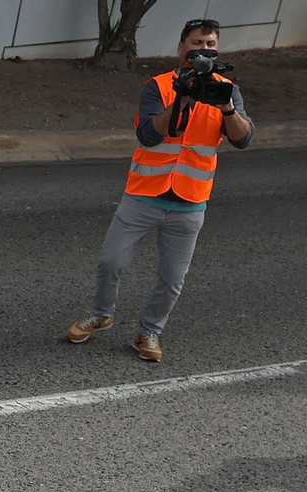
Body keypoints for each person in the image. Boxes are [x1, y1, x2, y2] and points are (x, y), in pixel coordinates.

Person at [66, 17, 254, 363]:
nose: (204, 49)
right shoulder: (159, 86)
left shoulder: (227, 88)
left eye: (211, 44)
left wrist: (226, 106)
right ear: (182, 47)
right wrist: (181, 97)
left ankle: (149, 331)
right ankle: (102, 313)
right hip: (144, 194)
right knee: (110, 261)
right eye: (197, 43)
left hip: (190, 201)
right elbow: (149, 135)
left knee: (172, 279)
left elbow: (243, 139)